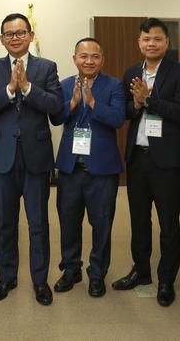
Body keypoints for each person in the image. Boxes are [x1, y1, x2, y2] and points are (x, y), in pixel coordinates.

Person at [0, 13, 62, 306]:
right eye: (9, 34)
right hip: (2, 158)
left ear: (30, 35)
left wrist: (27, 87)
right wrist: (10, 89)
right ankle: (7, 277)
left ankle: (40, 281)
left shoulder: (46, 67)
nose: (15, 38)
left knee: (38, 223)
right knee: (6, 223)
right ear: (2, 39)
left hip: (36, 157)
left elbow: (55, 107)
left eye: (20, 32)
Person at [111, 18, 180, 307]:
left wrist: (148, 100)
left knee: (168, 222)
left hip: (166, 161)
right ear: (139, 43)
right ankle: (141, 271)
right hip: (138, 158)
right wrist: (134, 105)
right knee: (138, 219)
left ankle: (166, 279)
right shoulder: (131, 71)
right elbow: (125, 112)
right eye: (146, 39)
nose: (151, 44)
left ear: (166, 42)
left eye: (157, 39)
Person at [50, 38, 125, 298]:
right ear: (75, 59)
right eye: (83, 56)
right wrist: (72, 103)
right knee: (68, 222)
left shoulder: (115, 85)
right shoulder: (65, 85)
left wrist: (93, 102)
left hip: (102, 169)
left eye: (94, 56)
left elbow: (117, 119)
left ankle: (97, 274)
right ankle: (71, 270)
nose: (89, 61)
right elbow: (55, 117)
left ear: (102, 60)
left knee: (101, 224)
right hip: (71, 168)